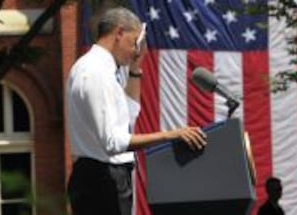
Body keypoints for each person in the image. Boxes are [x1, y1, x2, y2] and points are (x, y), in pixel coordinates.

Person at [65, 7, 207, 215]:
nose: (136, 51)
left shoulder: (103, 70)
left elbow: (128, 117)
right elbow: (113, 142)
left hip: (107, 178)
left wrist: (135, 70)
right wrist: (172, 134)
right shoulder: (95, 72)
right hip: (100, 180)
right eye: (134, 43)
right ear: (119, 33)